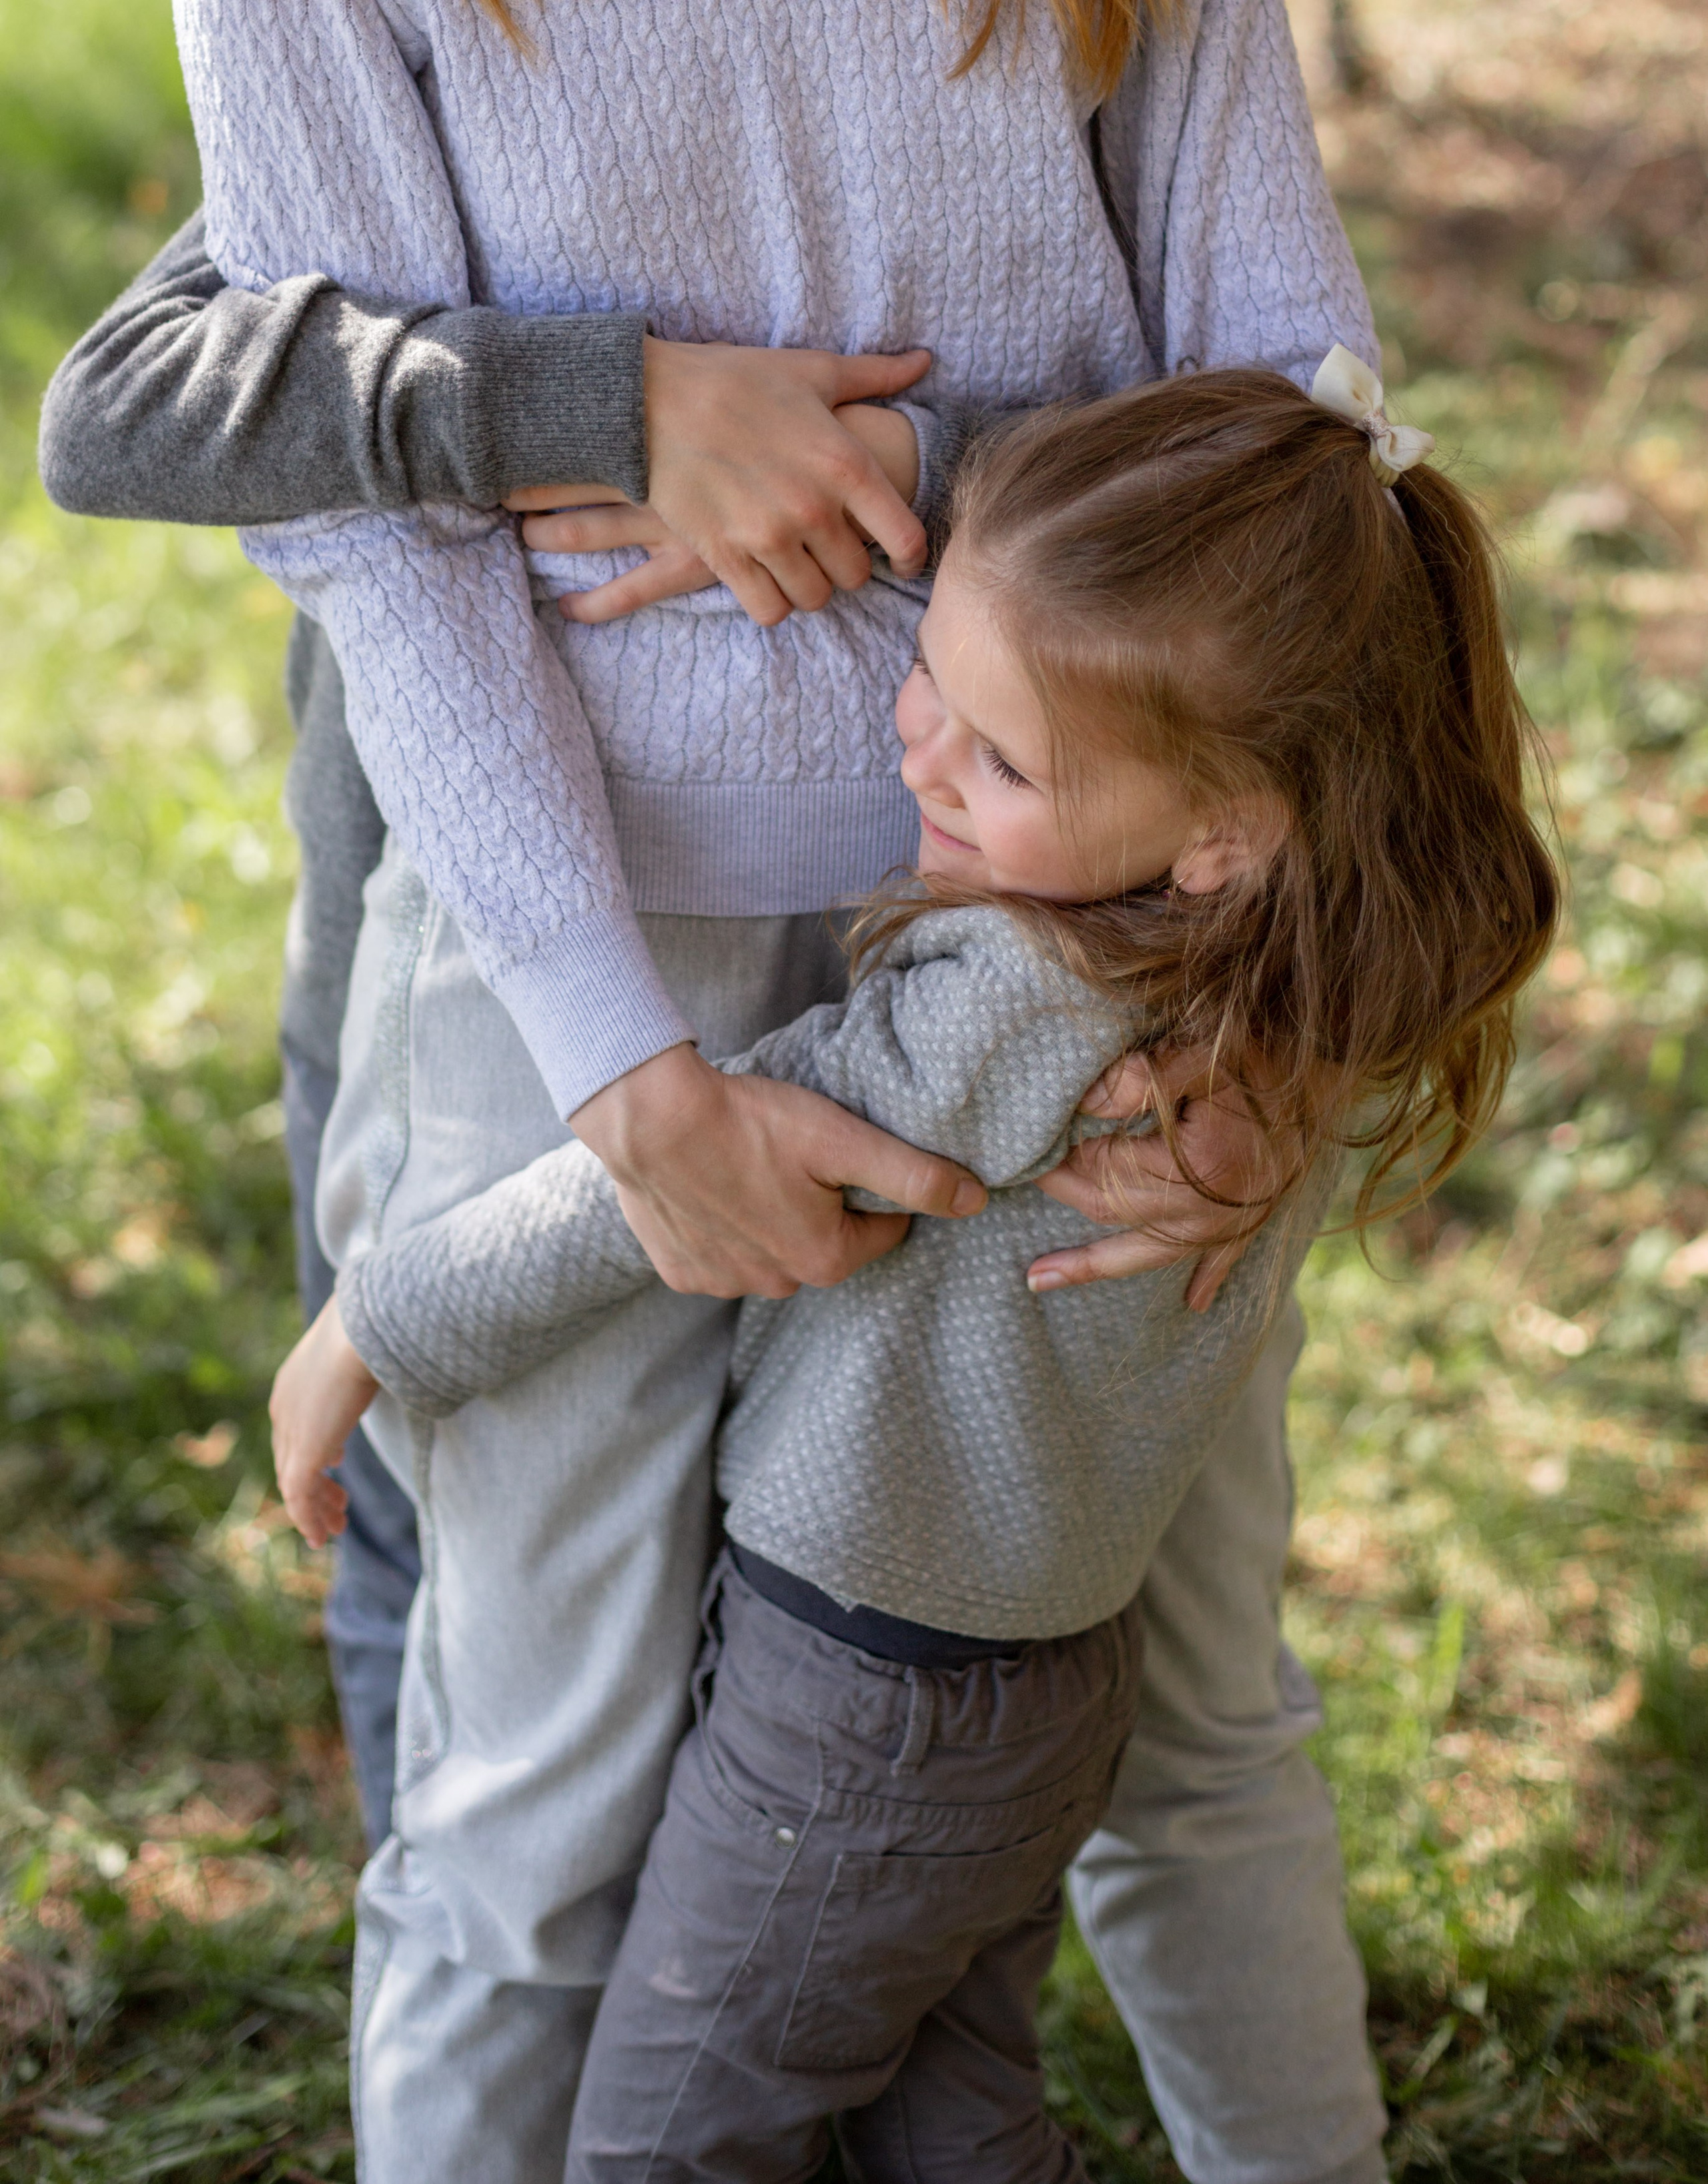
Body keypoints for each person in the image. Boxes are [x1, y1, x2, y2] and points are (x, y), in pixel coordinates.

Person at [40, 0, 1400, 2174]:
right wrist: (623, 1069)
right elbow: (362, 495)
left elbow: (1300, 415)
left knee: (1193, 1720)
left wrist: (1284, 1007)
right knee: (539, 1812)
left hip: (1108, 915)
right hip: (568, 901)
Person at [268, 366, 1559, 2175]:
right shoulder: (1261, 1014)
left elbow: (688, 1171)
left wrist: (370, 1324)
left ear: (1221, 835)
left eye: (1001, 756)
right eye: (930, 680)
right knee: (944, 2124)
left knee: (666, 2141)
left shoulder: (1018, 1004)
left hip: (855, 1711)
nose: (917, 755)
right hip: (1033, 1700)